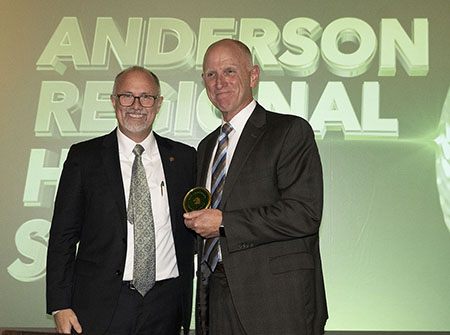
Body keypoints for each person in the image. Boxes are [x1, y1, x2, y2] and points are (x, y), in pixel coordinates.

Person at [184, 39, 327, 335]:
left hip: (274, 301)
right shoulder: (206, 146)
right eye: (211, 74)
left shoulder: (289, 131)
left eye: (230, 71)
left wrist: (224, 223)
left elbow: (304, 213)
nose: (219, 82)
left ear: (253, 76)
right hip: (214, 298)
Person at [46, 66, 196, 335]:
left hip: (166, 305)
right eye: (127, 96)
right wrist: (60, 304)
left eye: (146, 97)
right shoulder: (85, 158)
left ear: (158, 104)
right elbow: (62, 236)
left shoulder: (185, 159)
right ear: (113, 100)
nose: (136, 105)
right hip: (100, 305)